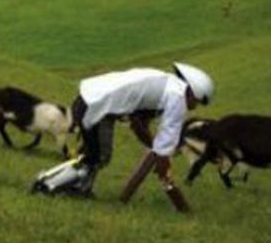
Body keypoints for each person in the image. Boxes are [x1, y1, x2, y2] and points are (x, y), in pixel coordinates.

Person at [68, 62, 214, 198]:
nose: (195, 107)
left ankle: (76, 187)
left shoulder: (167, 84)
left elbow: (138, 124)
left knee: (93, 154)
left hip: (90, 99)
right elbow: (165, 137)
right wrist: (163, 162)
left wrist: (156, 151)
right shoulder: (177, 97)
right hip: (95, 106)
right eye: (197, 101)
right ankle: (66, 187)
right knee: (99, 156)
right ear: (194, 92)